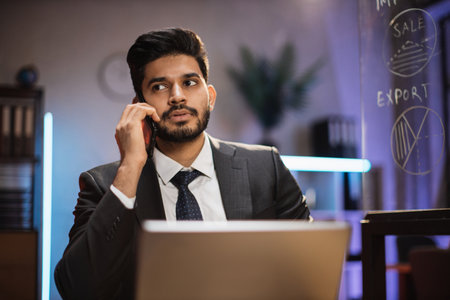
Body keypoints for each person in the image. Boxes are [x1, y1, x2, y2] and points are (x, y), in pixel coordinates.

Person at [54, 28, 311, 300]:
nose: (177, 96)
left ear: (210, 97)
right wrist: (130, 168)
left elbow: (310, 267)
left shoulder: (265, 166)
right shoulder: (104, 186)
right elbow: (77, 289)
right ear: (139, 106)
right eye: (159, 86)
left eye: (189, 82)